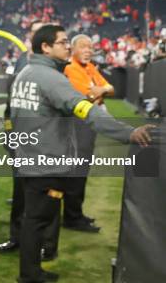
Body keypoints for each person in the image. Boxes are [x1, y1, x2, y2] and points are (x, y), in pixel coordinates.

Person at [10, 25, 154, 283]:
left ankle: (31, 272)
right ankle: (29, 275)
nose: (68, 46)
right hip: (47, 162)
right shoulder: (51, 78)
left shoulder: (25, 73)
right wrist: (128, 133)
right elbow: (88, 111)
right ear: (46, 47)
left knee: (33, 219)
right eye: (63, 42)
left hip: (29, 158)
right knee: (37, 221)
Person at [0, 21, 58, 259]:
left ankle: (47, 245)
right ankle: (17, 237)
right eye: (33, 32)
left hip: (45, 139)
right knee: (20, 192)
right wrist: (9, 131)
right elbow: (12, 102)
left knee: (49, 195)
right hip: (21, 139)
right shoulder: (22, 60)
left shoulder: (56, 64)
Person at [63, 34, 115, 232]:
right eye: (83, 47)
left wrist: (99, 90)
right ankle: (72, 217)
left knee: (81, 172)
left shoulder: (91, 68)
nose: (88, 50)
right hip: (76, 126)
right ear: (73, 50)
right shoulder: (71, 68)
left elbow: (111, 89)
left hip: (87, 126)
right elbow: (87, 97)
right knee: (76, 172)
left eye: (90, 47)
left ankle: (75, 213)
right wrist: (99, 91)